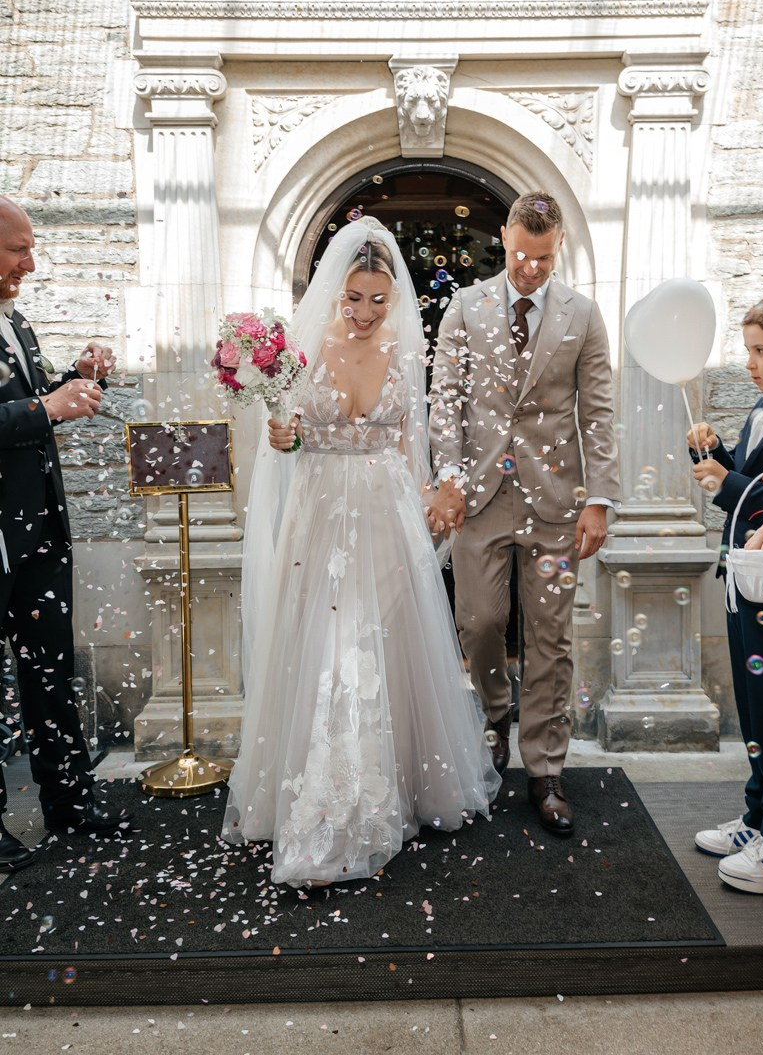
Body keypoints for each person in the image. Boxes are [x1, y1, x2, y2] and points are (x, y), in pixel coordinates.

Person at [221, 217, 500, 888]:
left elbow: (410, 442)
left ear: (394, 296)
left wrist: (430, 500)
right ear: (335, 291)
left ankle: (387, 790)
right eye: (354, 298)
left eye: (379, 299)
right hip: (319, 513)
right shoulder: (299, 351)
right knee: (327, 644)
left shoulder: (405, 351)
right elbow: (286, 436)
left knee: (379, 646)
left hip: (385, 513)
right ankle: (327, 809)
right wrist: (283, 433)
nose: (367, 312)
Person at [428, 192, 619, 836]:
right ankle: (493, 720)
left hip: (557, 501)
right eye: (520, 255)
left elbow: (598, 411)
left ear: (558, 246)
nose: (531, 268)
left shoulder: (583, 314)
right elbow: (445, 400)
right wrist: (448, 480)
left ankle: (545, 770)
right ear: (504, 237)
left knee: (549, 638)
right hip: (478, 498)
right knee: (479, 622)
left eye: (543, 258)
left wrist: (599, 499)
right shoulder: (464, 306)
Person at [0, 196, 132, 874]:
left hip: (39, 531)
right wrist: (46, 406)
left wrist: (77, 381)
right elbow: (27, 413)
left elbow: (28, 404)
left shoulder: (15, 322)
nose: (30, 262)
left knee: (50, 670)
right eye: (17, 249)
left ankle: (69, 802)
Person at [688, 290, 763, 893]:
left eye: (761, 350)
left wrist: (726, 483)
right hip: (748, 580)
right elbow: (754, 479)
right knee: (756, 709)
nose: (750, 362)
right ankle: (759, 818)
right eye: (748, 349)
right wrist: (712, 454)